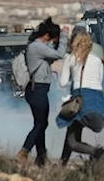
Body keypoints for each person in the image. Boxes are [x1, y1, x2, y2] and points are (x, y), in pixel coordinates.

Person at [56, 33, 104, 172]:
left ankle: (97, 152)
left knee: (72, 140)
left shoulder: (71, 57)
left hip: (81, 98)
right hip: (97, 99)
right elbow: (99, 80)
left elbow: (62, 82)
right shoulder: (98, 59)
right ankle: (62, 164)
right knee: (72, 132)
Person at [16, 17, 68, 167]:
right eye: (52, 40)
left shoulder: (37, 48)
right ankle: (24, 152)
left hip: (39, 89)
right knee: (40, 124)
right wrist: (64, 36)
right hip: (37, 89)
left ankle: (41, 157)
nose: (52, 43)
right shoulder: (37, 47)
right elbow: (59, 55)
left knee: (41, 123)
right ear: (46, 36)